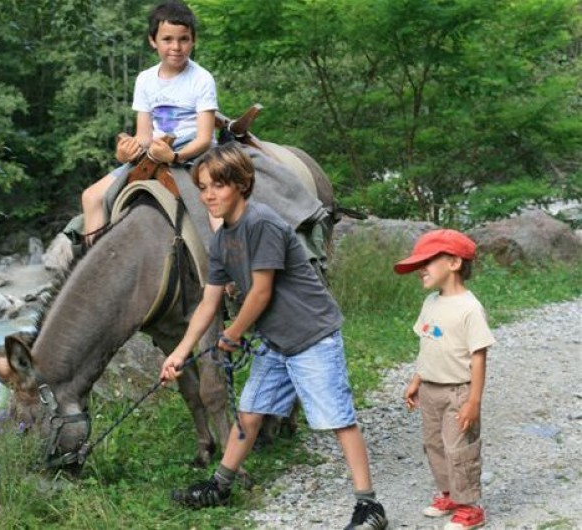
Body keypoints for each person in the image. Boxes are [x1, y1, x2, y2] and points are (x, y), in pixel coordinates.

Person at [159, 142, 388, 530]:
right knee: (250, 410)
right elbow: (208, 303)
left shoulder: (261, 223)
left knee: (337, 418)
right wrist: (180, 353)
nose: (208, 195)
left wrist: (232, 334)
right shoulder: (222, 240)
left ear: (242, 185)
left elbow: (261, 292)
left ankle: (370, 507)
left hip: (311, 335)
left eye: (217, 186)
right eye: (202, 188)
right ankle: (220, 484)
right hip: (276, 342)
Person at [81, 0, 218, 242]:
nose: (176, 47)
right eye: (167, 39)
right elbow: (144, 136)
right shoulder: (145, 80)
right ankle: (95, 263)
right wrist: (128, 151)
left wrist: (175, 157)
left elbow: (205, 139)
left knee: (217, 213)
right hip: (154, 153)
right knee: (91, 197)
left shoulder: (201, 79)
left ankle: (229, 271)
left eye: (183, 39)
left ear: (193, 40)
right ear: (153, 41)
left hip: (195, 155)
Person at [395, 229, 496, 530]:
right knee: (434, 444)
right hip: (430, 390)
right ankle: (450, 494)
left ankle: (470, 506)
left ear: (453, 262)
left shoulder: (470, 308)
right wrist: (416, 379)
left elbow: (479, 357)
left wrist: (473, 402)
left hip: (458, 392)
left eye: (426, 262)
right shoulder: (431, 303)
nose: (420, 270)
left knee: (459, 449)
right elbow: (428, 344)